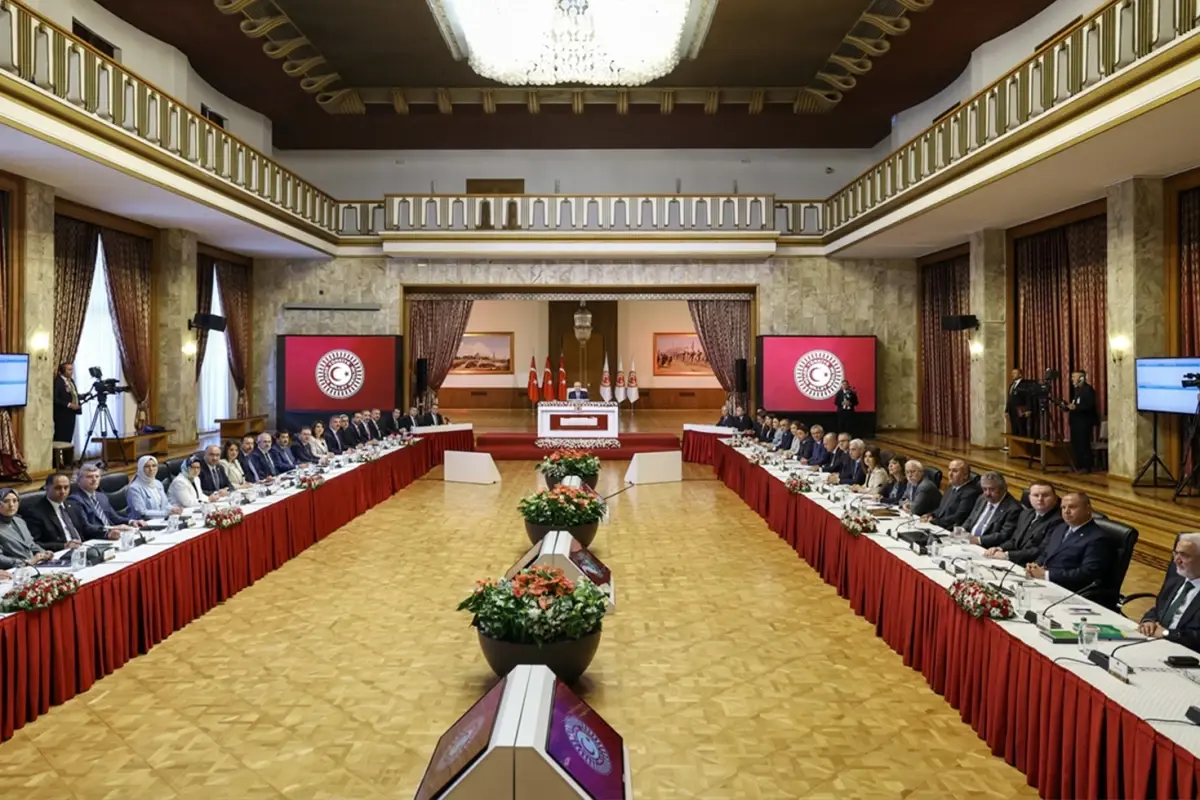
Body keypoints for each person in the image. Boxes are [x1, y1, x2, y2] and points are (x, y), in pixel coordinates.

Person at [1025, 492, 1113, 598]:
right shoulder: (1060, 528)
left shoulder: (1098, 538)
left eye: (1072, 507)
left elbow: (1087, 573)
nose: (1066, 511)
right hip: (1044, 584)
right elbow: (1046, 553)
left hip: (1068, 591)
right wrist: (1035, 566)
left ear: (1088, 509)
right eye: (1063, 507)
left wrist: (1046, 575)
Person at [1139, 533, 1200, 652]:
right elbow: (1158, 609)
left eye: (1184, 555)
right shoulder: (1176, 578)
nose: (1176, 560)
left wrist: (1166, 633)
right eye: (1176, 553)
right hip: (1155, 643)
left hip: (1184, 653)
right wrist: (1149, 621)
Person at [983, 481, 1062, 565]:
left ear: (1055, 498)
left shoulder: (1058, 521)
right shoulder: (1025, 514)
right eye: (1036, 495)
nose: (1040, 499)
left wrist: (1007, 555)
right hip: (1010, 563)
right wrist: (999, 548)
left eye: (1045, 495)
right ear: (1029, 498)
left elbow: (1040, 551)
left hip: (1029, 566)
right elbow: (1014, 541)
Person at [70, 464, 143, 537]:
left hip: (114, 535)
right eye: (89, 477)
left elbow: (115, 518)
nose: (94, 479)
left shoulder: (101, 496)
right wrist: (112, 529)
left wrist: (131, 522)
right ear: (79, 480)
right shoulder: (75, 500)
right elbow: (86, 527)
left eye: (97, 476)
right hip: (97, 538)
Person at [23, 473, 88, 549]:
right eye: (58, 488)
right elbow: (34, 543)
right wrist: (64, 546)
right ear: (46, 488)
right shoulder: (34, 512)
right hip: (60, 552)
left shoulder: (73, 505)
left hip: (83, 547)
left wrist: (101, 531)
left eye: (66, 487)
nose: (63, 491)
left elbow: (86, 527)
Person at [961, 472, 1021, 544]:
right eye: (984, 489)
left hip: (987, 546)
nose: (987, 493)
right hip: (968, 540)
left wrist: (979, 540)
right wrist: (962, 529)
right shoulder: (982, 498)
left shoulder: (1013, 509)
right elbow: (971, 518)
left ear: (1003, 488)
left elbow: (1004, 535)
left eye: (992, 489)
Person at [0, 488, 53, 569]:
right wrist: (26, 562)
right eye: (6, 501)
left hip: (34, 566)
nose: (11, 505)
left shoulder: (20, 521)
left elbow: (31, 544)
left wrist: (43, 552)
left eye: (15, 501)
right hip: (13, 570)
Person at [922, 459, 981, 530]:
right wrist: (930, 514)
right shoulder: (951, 487)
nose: (950, 474)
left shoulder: (970, 493)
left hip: (950, 530)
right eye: (949, 470)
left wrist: (934, 522)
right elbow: (941, 509)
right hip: (938, 525)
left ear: (965, 475)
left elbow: (958, 517)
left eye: (955, 471)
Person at [1067, 370, 1098, 473]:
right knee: (1076, 444)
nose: (1072, 379)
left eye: (1074, 377)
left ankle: (1086, 466)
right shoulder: (1078, 391)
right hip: (1076, 422)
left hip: (1084, 422)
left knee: (1083, 444)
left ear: (1081, 378)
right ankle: (1079, 465)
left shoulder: (1088, 390)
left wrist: (1076, 407)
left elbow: (1089, 406)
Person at [52, 362, 82, 445]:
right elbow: (55, 399)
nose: (71, 371)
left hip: (71, 414)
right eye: (69, 370)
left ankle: (67, 453)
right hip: (62, 415)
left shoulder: (71, 381)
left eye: (72, 369)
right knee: (61, 438)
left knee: (69, 437)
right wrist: (69, 404)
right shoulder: (58, 382)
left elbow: (72, 394)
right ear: (63, 371)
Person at [1006, 368, 1031, 438]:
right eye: (1012, 373)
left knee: (1021, 428)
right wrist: (1006, 410)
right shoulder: (1012, 385)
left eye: (1014, 373)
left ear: (1020, 374)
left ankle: (1023, 444)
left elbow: (1028, 397)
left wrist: (1028, 409)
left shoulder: (1025, 384)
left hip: (1020, 410)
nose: (1012, 374)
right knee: (1014, 429)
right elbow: (1009, 399)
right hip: (1012, 410)